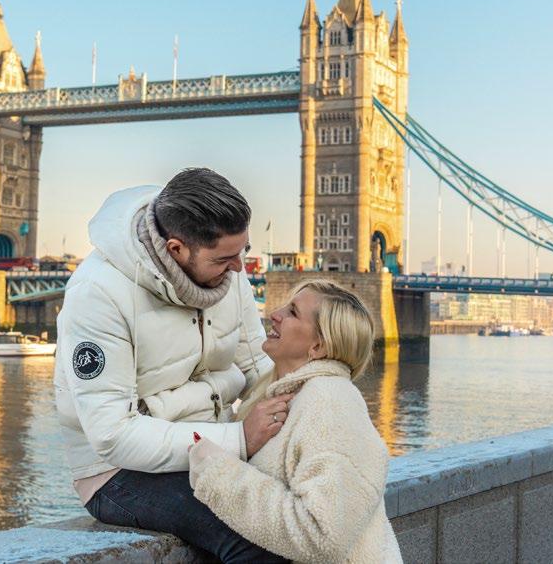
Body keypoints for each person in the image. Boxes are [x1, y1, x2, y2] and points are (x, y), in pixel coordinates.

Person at [54, 168, 290, 562]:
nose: (240, 268)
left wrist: (314, 408)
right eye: (225, 259)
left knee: (309, 506)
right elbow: (113, 435)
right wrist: (239, 440)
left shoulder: (227, 268)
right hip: (118, 472)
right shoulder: (98, 293)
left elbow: (257, 367)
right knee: (261, 533)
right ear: (177, 249)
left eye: (242, 252)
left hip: (214, 447)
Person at [189, 280, 403, 563]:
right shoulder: (284, 393)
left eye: (292, 312)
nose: (274, 314)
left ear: (318, 346)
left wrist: (218, 473)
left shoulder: (330, 400)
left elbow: (324, 535)